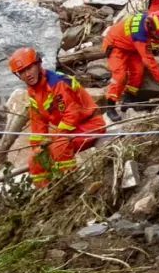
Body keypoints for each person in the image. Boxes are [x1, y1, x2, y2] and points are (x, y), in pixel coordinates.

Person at [9, 48, 104, 188]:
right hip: (71, 130)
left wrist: (56, 137)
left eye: (29, 68)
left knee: (59, 146)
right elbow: (38, 122)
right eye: (22, 72)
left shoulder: (57, 83)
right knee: (35, 159)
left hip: (90, 124)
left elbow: (72, 114)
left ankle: (68, 186)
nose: (27, 74)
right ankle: (45, 193)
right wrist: (37, 147)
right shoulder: (34, 91)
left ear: (38, 64)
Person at [101, 11, 159, 121]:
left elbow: (151, 38)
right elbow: (150, 61)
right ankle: (110, 106)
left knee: (138, 72)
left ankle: (128, 98)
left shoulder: (147, 19)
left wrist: (158, 38)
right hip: (115, 45)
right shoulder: (140, 35)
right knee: (120, 75)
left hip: (130, 46)